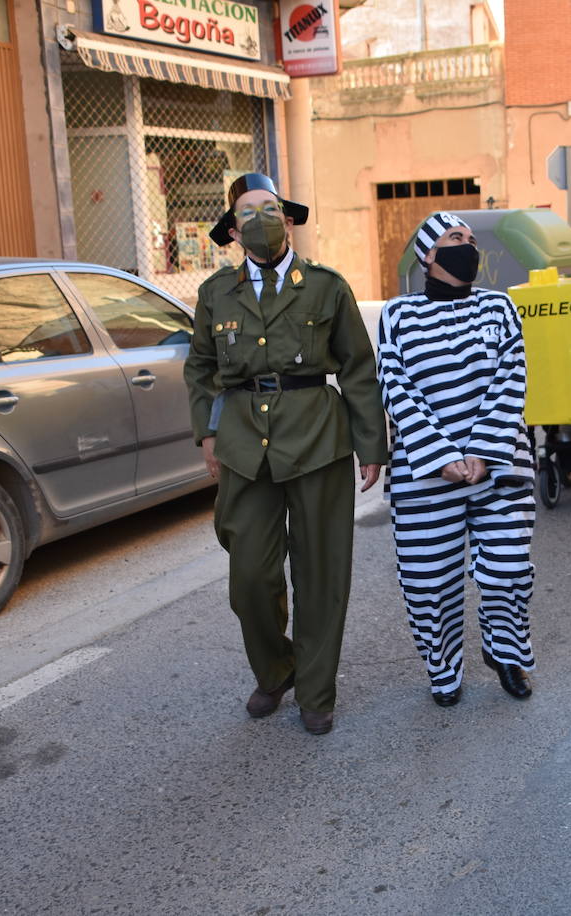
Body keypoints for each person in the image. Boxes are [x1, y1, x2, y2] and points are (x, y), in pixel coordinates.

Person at [184, 173, 388, 735]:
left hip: (317, 435)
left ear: (289, 219)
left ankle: (316, 691)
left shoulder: (325, 286)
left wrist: (372, 444)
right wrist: (207, 432)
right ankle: (275, 670)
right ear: (232, 230)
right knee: (250, 575)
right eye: (247, 212)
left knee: (321, 572)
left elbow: (358, 369)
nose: (259, 219)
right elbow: (200, 368)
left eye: (268, 208)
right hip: (245, 443)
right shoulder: (215, 293)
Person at [377, 212, 536, 706]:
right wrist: (442, 456)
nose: (466, 245)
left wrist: (484, 454)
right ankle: (443, 671)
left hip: (501, 464)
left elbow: (512, 377)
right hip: (424, 470)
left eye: (470, 238)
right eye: (453, 238)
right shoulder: (397, 316)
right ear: (428, 255)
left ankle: (505, 653)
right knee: (429, 580)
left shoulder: (498, 307)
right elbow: (395, 388)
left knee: (508, 566)